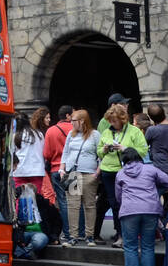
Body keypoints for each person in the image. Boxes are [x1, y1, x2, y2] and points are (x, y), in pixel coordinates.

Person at [114, 148, 168, 266]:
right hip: (150, 210)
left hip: (129, 211)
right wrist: (156, 189)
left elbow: (118, 196)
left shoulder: (120, 173)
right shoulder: (150, 169)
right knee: (148, 246)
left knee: (130, 246)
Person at [97, 103, 148, 248]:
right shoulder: (107, 132)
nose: (112, 123)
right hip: (109, 171)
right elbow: (99, 151)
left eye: (115, 121)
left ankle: (126, 235)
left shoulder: (134, 131)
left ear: (122, 119)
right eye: (110, 121)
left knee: (126, 203)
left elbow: (143, 151)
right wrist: (105, 149)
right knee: (114, 204)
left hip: (127, 171)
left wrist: (126, 149)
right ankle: (119, 234)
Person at [59, 108, 101, 245]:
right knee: (73, 205)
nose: (71, 123)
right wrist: (61, 169)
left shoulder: (95, 135)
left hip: (89, 173)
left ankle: (89, 235)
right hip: (73, 173)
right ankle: (73, 236)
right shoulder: (71, 135)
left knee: (89, 205)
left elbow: (100, 154)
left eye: (73, 120)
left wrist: (97, 172)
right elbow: (65, 153)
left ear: (82, 121)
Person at [43, 105, 73, 241]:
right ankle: (79, 231)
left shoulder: (50, 131)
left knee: (62, 201)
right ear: (67, 116)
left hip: (55, 170)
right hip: (71, 170)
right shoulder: (74, 129)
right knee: (75, 200)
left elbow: (46, 154)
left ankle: (66, 232)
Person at [12, 107, 54, 203]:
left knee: (19, 198)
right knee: (35, 198)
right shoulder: (39, 134)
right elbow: (44, 152)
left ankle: (21, 217)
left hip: (20, 171)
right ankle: (34, 217)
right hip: (36, 171)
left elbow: (12, 154)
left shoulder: (15, 136)